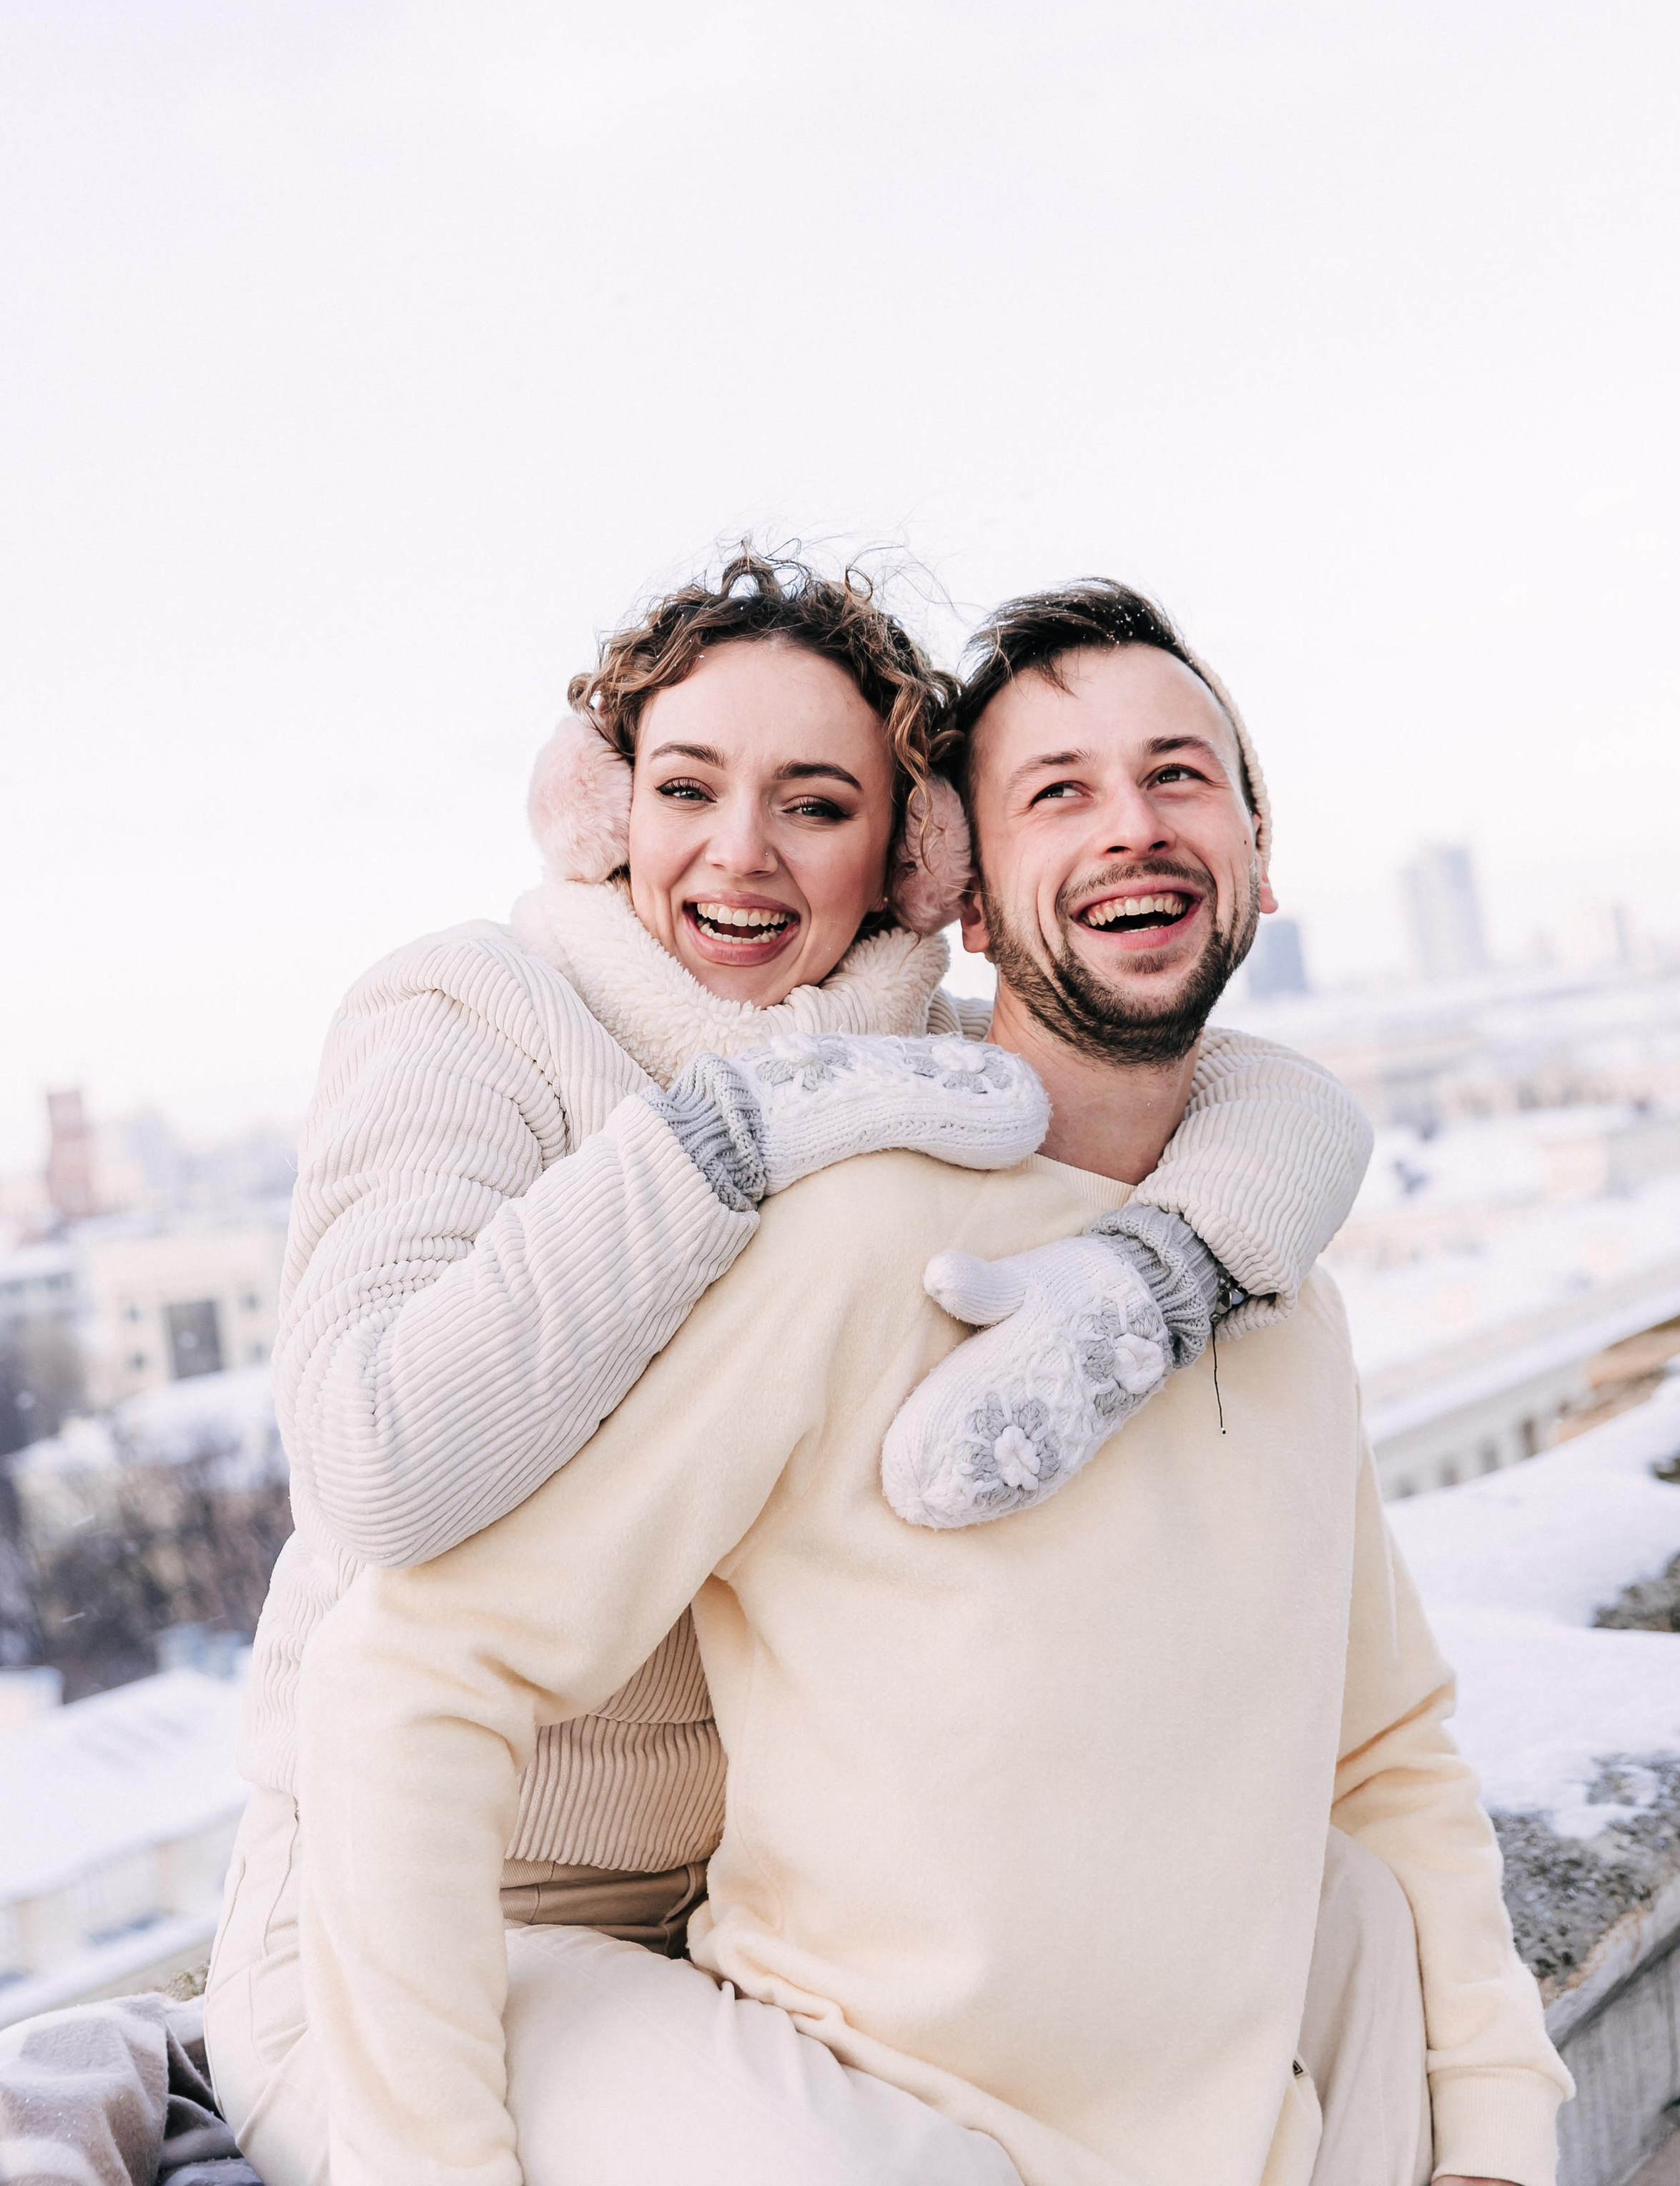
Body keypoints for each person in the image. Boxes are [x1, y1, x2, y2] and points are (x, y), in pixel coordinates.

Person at [290, 579, 1571, 2186]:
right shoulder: (768, 1178)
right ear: (966, 890)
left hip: (764, 1946)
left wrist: (1498, 2144)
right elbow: (393, 1589)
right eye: (1060, 791)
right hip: (463, 1942)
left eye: (1180, 777)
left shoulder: (1255, 1268)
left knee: (1359, 1908)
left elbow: (1386, 1754)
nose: (1132, 828)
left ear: (1257, 851)